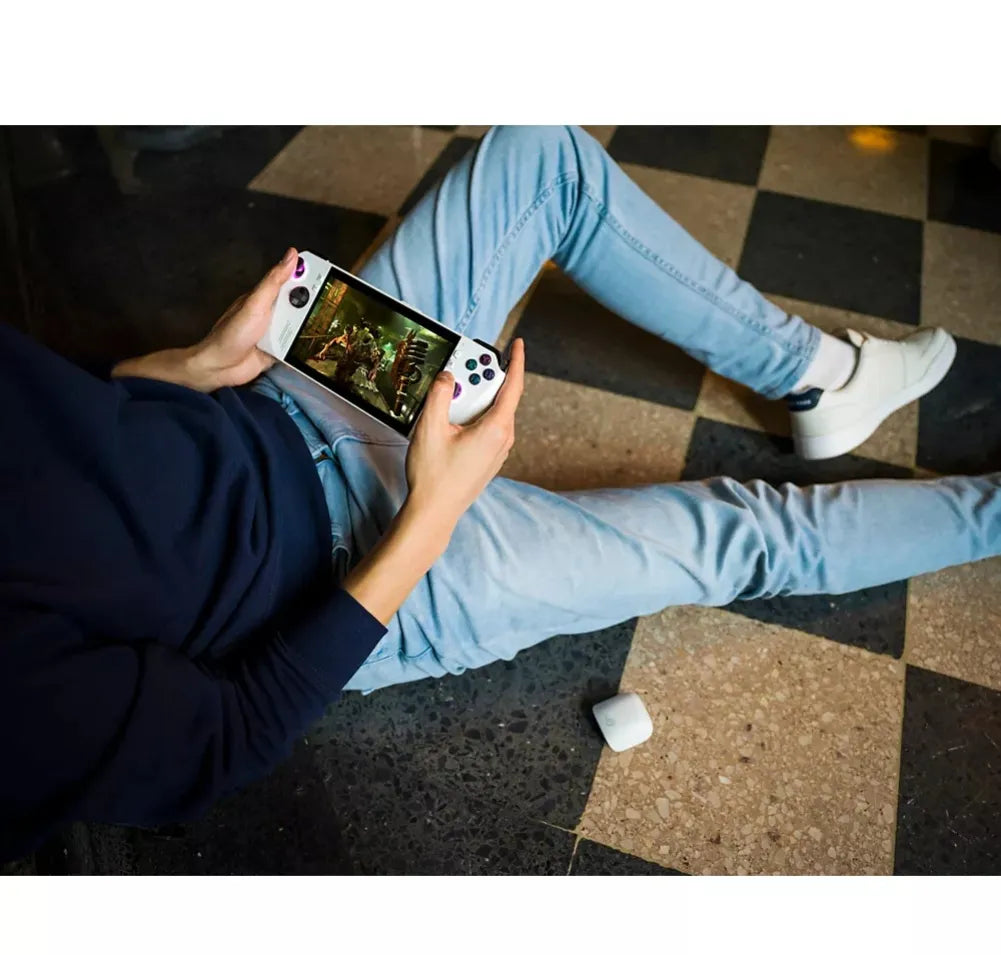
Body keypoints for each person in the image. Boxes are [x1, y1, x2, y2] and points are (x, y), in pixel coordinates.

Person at [1, 126, 996, 863]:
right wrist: (432, 512)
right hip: (357, 571)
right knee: (738, 534)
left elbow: (66, 442)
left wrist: (172, 368)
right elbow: (228, 738)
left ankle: (817, 379)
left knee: (539, 152)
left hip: (278, 397)